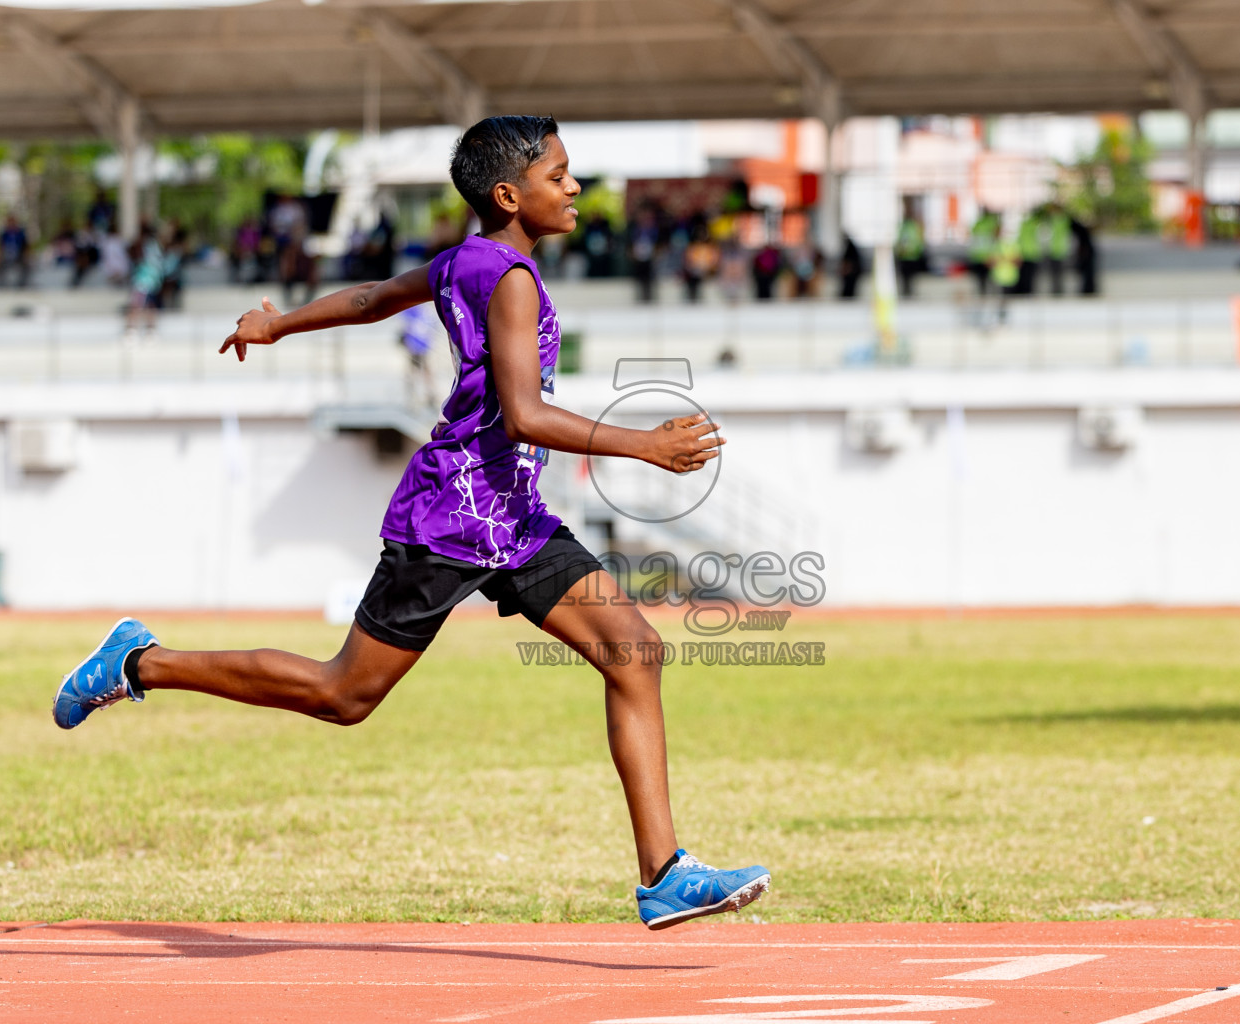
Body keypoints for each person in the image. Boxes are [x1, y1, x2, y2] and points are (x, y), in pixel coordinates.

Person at [51, 115, 770, 931]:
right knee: (343, 694)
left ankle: (664, 874)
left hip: (513, 519)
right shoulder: (508, 278)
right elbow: (525, 415)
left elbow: (371, 298)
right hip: (453, 519)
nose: (574, 188)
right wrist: (640, 444)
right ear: (509, 194)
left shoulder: (469, 260)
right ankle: (139, 663)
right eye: (559, 175)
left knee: (635, 653)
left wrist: (277, 322)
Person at [0, 213, 30, 290]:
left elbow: (26, 246)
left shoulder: (21, 233)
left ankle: (22, 284)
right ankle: (1, 285)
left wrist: (26, 256)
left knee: (25, 266)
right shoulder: (4, 234)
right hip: (6, 255)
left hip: (19, 255)